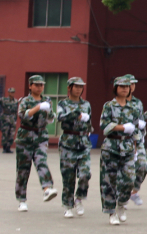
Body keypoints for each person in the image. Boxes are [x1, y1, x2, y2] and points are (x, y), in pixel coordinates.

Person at [99, 76, 141, 224]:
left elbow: (136, 130)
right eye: (121, 86)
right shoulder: (109, 106)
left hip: (128, 147)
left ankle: (122, 204)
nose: (124, 89)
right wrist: (121, 128)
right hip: (111, 147)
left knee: (129, 179)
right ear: (115, 89)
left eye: (127, 86)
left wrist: (136, 149)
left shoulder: (134, 108)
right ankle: (111, 212)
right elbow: (104, 125)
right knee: (109, 181)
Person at [15, 75, 59, 211]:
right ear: (30, 86)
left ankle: (47, 189)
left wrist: (50, 113)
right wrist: (38, 107)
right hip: (25, 138)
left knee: (41, 162)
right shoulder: (25, 100)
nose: (39, 87)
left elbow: (50, 118)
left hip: (40, 136)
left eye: (41, 85)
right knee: (23, 170)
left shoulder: (47, 100)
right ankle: (22, 200)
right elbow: (22, 115)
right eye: (36, 85)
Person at [56, 77, 93, 218]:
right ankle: (67, 205)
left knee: (85, 174)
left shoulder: (86, 104)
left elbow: (89, 120)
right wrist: (75, 115)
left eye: (80, 87)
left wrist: (88, 126)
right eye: (76, 86)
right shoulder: (63, 103)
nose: (78, 89)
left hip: (83, 142)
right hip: (68, 143)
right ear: (69, 88)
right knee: (68, 177)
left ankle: (79, 197)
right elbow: (60, 117)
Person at [124, 75, 147, 207]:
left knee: (143, 165)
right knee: (124, 170)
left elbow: (141, 119)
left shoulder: (138, 102)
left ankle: (134, 191)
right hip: (122, 140)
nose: (132, 86)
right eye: (129, 84)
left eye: (133, 84)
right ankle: (123, 194)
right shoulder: (117, 102)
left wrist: (142, 133)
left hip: (137, 139)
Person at [1, 86, 18, 153]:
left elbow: (16, 110)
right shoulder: (3, 99)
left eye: (13, 92)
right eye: (11, 92)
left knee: (11, 133)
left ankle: (8, 147)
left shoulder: (16, 101)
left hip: (13, 119)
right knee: (5, 133)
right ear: (8, 93)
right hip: (5, 118)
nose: (12, 94)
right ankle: (4, 147)